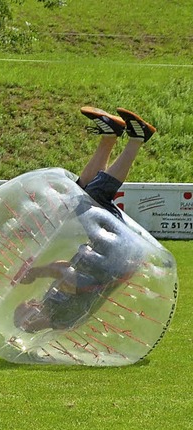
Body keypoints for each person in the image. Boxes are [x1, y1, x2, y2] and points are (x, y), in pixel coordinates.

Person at [13, 107, 156, 333]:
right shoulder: (63, 318)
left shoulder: (50, 304)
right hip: (119, 255)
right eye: (29, 308)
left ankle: (110, 135)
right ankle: (138, 138)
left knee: (80, 196)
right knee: (96, 196)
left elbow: (66, 268)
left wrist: (39, 271)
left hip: (104, 250)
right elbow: (69, 278)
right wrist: (37, 272)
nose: (33, 302)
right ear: (29, 322)